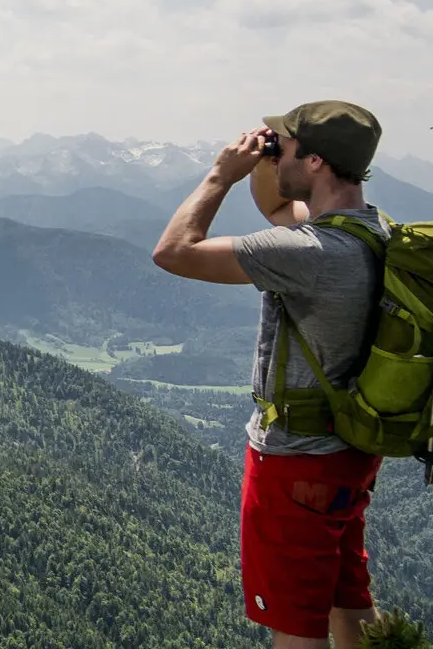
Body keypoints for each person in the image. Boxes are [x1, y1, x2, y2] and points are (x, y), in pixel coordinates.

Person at [150, 100, 391, 649]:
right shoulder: (372, 231)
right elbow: (278, 207)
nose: (275, 153)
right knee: (344, 596)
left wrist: (221, 174)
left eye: (289, 147)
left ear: (315, 163)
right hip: (349, 448)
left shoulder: (310, 253)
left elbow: (174, 252)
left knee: (296, 622)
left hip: (294, 461)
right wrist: (269, 161)